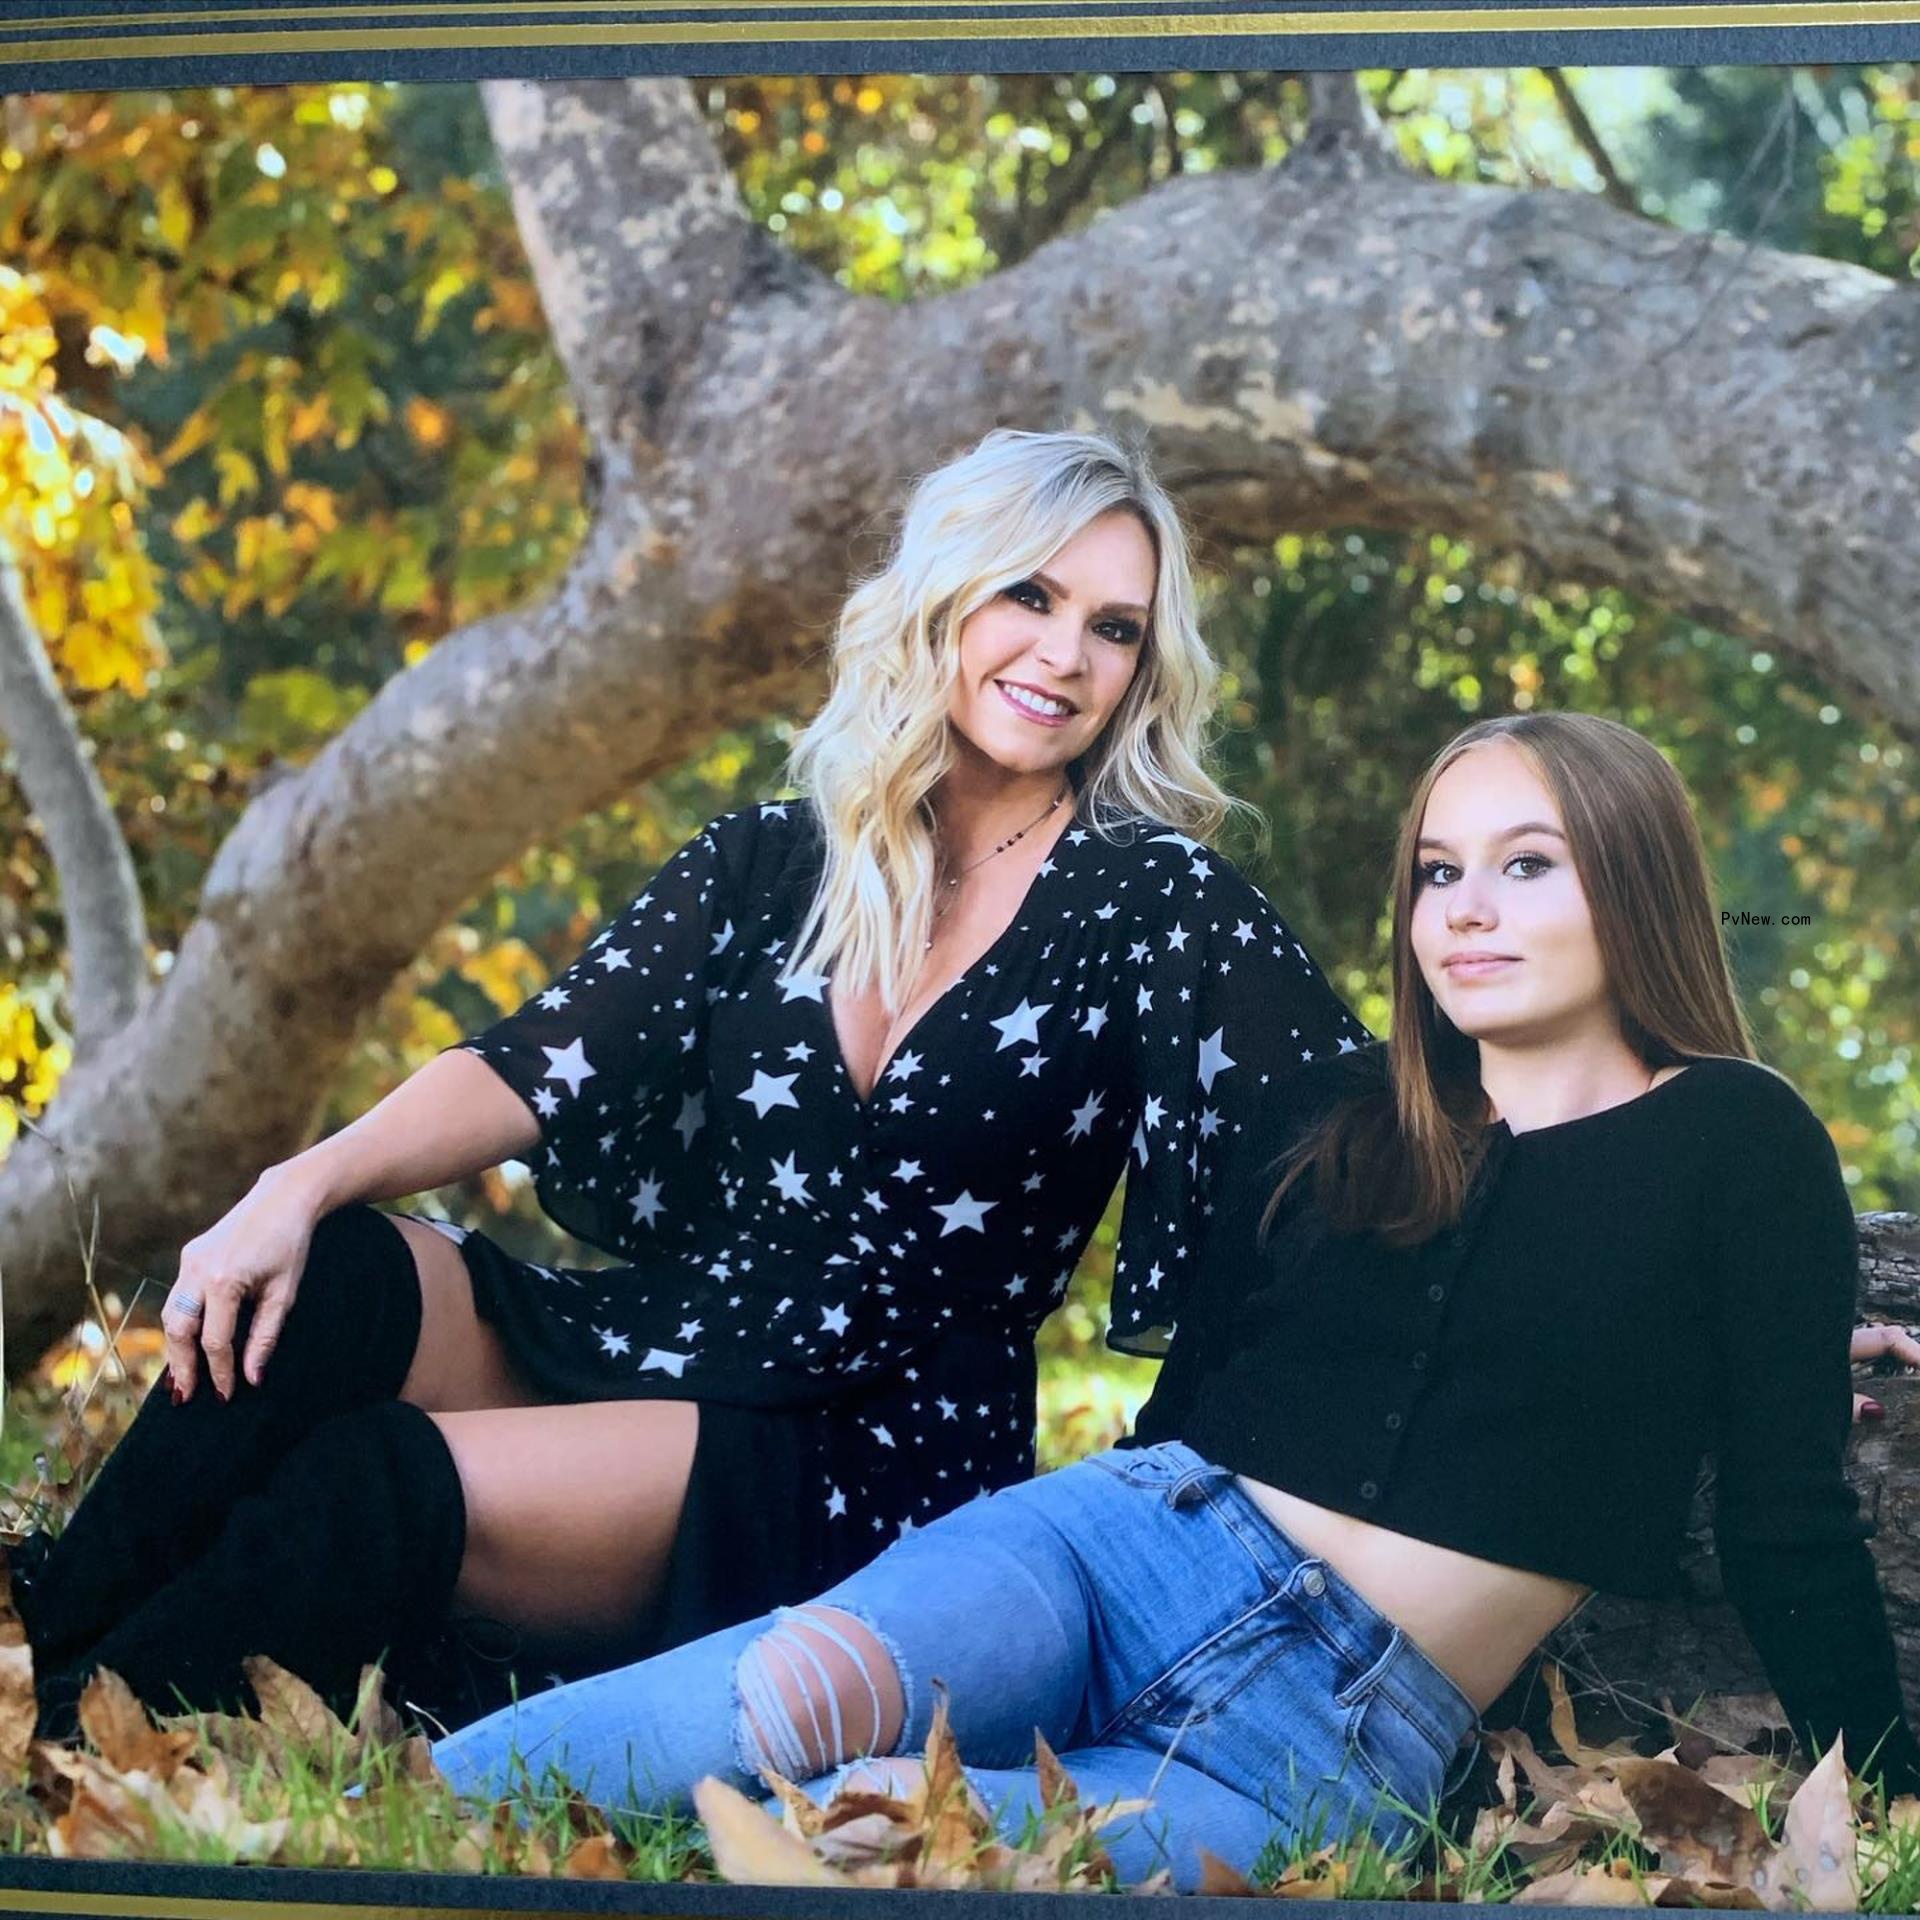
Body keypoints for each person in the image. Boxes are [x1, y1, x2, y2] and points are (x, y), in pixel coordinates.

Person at [16, 428, 1368, 1736]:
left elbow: (1347, 1134)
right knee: (337, 1274)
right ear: (944, 594)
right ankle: (50, 1656)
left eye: (1116, 627)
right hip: (687, 1336)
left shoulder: (1156, 899)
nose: (1066, 655)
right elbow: (532, 1060)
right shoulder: (769, 864)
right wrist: (290, 1187)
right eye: (1031, 594)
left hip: (876, 1445)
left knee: (378, 1483)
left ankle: (75, 1749)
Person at [429, 711, 1920, 1891]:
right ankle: (407, 1815)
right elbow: (1201, 1394)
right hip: (1123, 1550)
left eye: (1527, 864)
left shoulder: (1739, 1138)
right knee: (791, 1696)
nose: (1466, 910)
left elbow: (1794, 1518)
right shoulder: (1349, 1122)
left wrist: (1894, 1796)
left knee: (867, 1829)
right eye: (1439, 871)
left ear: (1632, 878)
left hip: (1327, 1742)